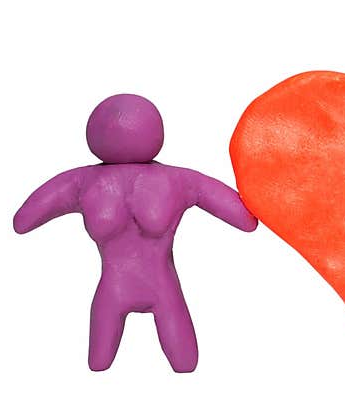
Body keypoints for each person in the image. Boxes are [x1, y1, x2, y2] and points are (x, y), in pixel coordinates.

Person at [14, 94, 257, 372]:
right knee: (105, 366)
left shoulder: (84, 182)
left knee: (177, 366)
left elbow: (23, 220)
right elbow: (246, 219)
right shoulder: (179, 181)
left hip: (153, 290)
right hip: (124, 289)